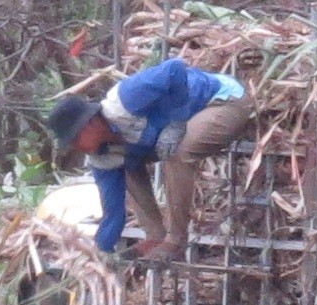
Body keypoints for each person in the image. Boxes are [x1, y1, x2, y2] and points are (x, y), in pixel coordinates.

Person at [46, 53, 258, 261]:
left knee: (177, 152)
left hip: (224, 101)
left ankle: (175, 239)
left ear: (89, 125)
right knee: (126, 166)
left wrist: (177, 121)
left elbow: (175, 68)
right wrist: (100, 253)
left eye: (75, 140)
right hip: (179, 128)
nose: (75, 147)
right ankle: (155, 236)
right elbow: (113, 211)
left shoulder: (126, 99)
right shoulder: (102, 158)